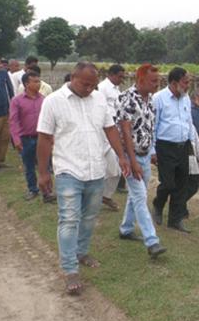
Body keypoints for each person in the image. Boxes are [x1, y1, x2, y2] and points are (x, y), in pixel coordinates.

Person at [36, 62, 129, 295]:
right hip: (68, 170)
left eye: (93, 85)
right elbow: (45, 138)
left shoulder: (98, 100)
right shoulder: (54, 101)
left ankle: (81, 251)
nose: (89, 88)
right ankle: (70, 270)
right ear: (73, 77)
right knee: (69, 219)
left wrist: (122, 156)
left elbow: (110, 129)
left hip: (95, 169)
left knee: (89, 216)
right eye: (85, 84)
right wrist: (43, 172)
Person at [115, 64, 166, 258]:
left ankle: (126, 229)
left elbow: (150, 128)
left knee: (137, 195)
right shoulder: (127, 98)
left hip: (144, 155)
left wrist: (151, 151)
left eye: (158, 80)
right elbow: (125, 131)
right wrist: (132, 160)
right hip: (130, 157)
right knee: (139, 196)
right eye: (153, 81)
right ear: (140, 79)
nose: (157, 84)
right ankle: (152, 241)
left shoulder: (150, 100)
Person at [151, 67, 197, 233]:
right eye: (185, 82)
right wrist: (152, 151)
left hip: (183, 146)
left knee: (181, 184)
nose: (187, 85)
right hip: (165, 147)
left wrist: (191, 145)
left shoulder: (185, 99)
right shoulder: (158, 99)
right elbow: (153, 126)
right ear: (174, 82)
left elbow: (188, 122)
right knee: (168, 183)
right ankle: (158, 204)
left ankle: (175, 220)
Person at [9, 71, 54, 203]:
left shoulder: (44, 100)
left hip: (42, 138)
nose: (38, 84)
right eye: (35, 81)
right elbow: (13, 121)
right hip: (26, 139)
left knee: (44, 165)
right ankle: (32, 189)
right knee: (28, 165)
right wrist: (16, 139)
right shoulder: (16, 101)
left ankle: (47, 192)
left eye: (39, 81)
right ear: (26, 84)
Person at [96, 64, 125, 212]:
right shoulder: (102, 88)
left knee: (115, 170)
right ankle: (92, 196)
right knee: (98, 166)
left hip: (113, 130)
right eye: (120, 76)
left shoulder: (117, 90)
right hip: (102, 132)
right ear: (112, 75)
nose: (122, 79)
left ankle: (105, 196)